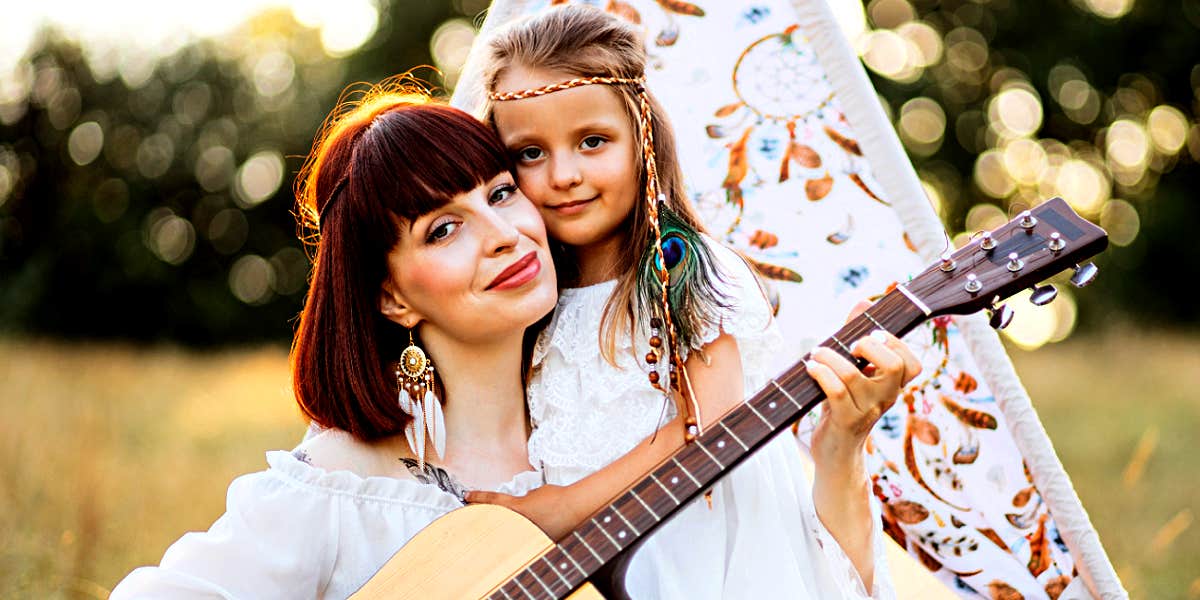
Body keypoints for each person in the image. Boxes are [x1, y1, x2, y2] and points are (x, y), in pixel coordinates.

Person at [466, 5, 922, 599]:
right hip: (587, 573)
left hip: (708, 555)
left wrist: (561, 509)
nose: (563, 174)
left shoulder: (688, 272)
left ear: (643, 140)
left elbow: (703, 427)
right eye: (530, 153)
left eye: (593, 141)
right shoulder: (532, 298)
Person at [109, 81, 563, 597]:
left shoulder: (603, 424)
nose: (504, 233)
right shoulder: (340, 487)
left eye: (501, 193)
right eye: (442, 229)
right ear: (393, 298)